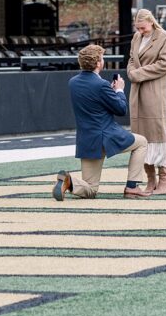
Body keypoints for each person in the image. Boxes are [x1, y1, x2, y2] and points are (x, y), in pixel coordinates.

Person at [53, 44, 153, 200]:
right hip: (107, 136)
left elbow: (94, 100)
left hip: (87, 139)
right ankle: (132, 187)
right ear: (98, 63)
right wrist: (119, 90)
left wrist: (110, 93)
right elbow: (121, 109)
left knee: (90, 189)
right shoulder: (101, 85)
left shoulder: (73, 82)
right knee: (142, 142)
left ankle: (69, 181)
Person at [127, 8, 166, 194]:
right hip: (137, 92)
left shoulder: (163, 37)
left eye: (143, 28)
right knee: (141, 137)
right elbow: (132, 58)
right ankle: (150, 178)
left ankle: (165, 176)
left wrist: (138, 74)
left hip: (154, 92)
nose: (141, 31)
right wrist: (131, 71)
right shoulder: (136, 38)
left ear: (151, 22)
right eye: (138, 28)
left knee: (157, 134)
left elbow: (164, 64)